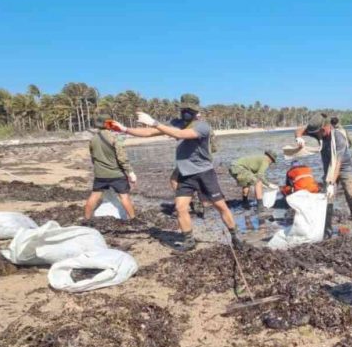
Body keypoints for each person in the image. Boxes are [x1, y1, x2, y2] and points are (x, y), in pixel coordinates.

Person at [108, 100, 241, 251]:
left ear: (197, 112)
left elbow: (179, 134)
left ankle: (235, 236)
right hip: (184, 173)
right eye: (183, 109)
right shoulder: (176, 123)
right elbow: (149, 132)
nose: (186, 112)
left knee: (220, 206)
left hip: (203, 172)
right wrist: (125, 129)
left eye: (189, 110)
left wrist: (154, 122)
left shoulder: (203, 126)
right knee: (180, 207)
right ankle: (189, 241)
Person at [294, 113, 352, 238]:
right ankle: (326, 230)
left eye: (318, 133)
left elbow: (337, 163)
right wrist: (299, 137)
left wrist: (331, 183)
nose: (317, 135)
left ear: (325, 128)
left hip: (344, 168)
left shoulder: (339, 137)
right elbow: (299, 130)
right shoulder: (318, 132)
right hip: (328, 170)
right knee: (327, 200)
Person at [84, 114, 137, 220]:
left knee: (94, 196)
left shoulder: (93, 139)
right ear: (109, 124)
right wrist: (131, 172)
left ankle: (86, 219)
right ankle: (133, 219)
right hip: (116, 174)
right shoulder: (115, 138)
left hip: (100, 174)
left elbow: (93, 158)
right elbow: (122, 158)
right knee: (124, 196)